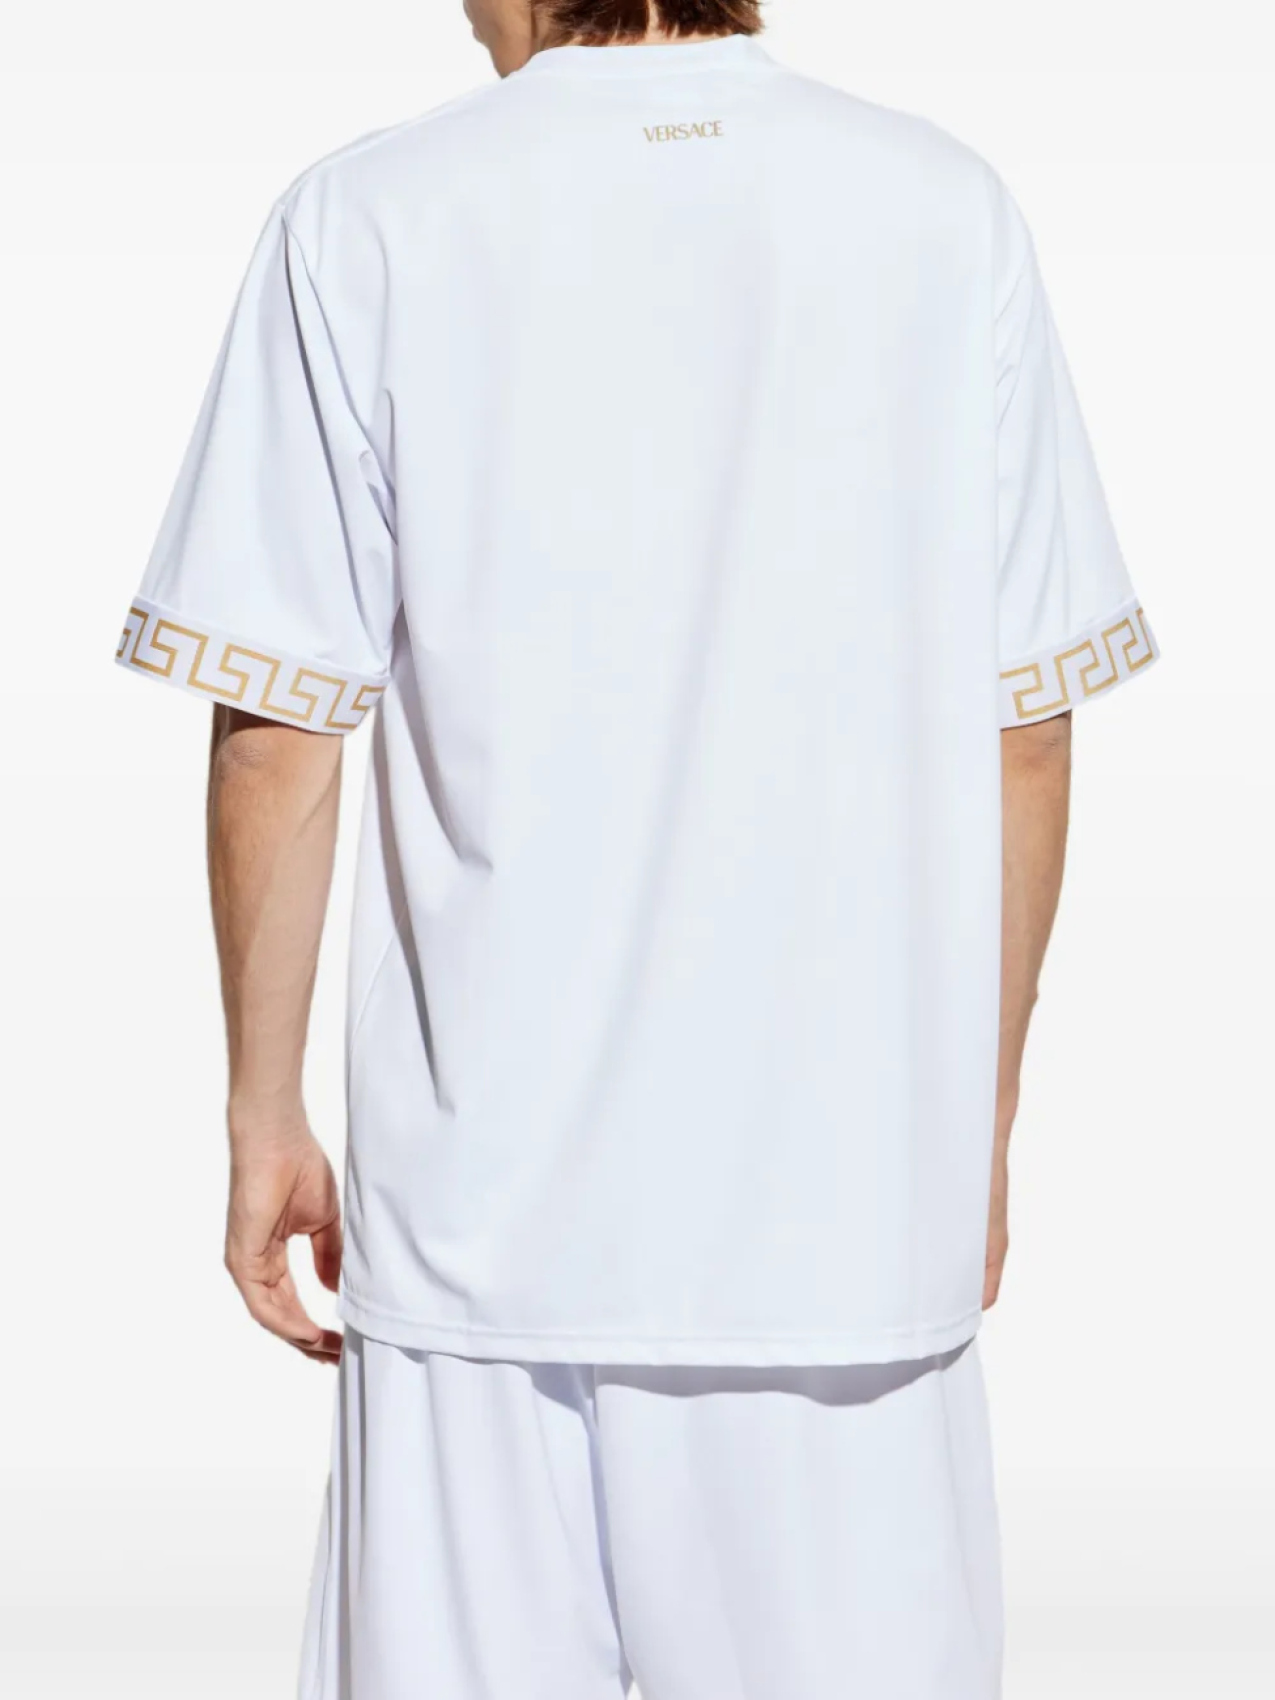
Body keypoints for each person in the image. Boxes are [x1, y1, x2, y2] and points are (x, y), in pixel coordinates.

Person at [116, 0, 1158, 1694]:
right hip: (839, 1235)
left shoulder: (367, 216)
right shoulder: (941, 208)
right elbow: (1025, 726)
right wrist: (970, 1123)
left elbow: (283, 729)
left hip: (476, 1242)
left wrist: (263, 1118)